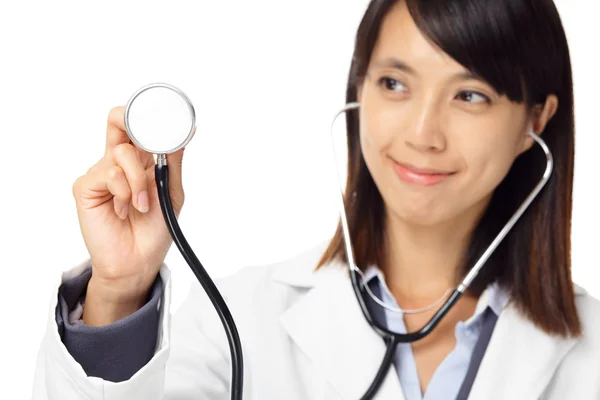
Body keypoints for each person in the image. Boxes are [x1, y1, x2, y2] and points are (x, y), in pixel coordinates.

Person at [32, 0, 600, 399]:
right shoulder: (243, 321)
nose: (423, 133)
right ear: (359, 89)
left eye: (470, 94)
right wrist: (122, 290)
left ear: (536, 121)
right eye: (395, 84)